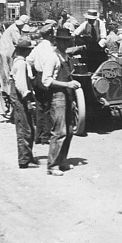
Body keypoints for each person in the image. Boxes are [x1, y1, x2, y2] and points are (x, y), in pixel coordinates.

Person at [41, 28, 82, 176]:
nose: (65, 44)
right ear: (57, 41)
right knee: (59, 131)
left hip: (68, 95)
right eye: (63, 41)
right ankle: (52, 165)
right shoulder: (53, 57)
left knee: (70, 131)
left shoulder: (65, 56)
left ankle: (62, 160)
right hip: (57, 96)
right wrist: (67, 85)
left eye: (67, 41)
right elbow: (46, 80)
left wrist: (72, 83)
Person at [27, 24, 57, 146]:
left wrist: (31, 75)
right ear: (50, 35)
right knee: (48, 107)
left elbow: (28, 61)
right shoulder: (50, 49)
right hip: (46, 78)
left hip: (38, 78)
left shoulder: (37, 48)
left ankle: (38, 136)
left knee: (39, 107)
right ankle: (46, 135)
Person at [10, 37, 37, 168]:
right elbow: (21, 85)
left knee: (30, 128)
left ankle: (28, 155)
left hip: (23, 97)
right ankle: (23, 159)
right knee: (24, 130)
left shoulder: (22, 62)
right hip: (20, 98)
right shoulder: (20, 64)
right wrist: (27, 101)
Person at [0, 14, 29, 102]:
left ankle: (8, 90)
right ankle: (7, 92)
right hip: (4, 51)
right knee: (7, 72)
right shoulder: (14, 29)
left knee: (9, 70)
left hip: (7, 50)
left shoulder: (16, 27)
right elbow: (19, 41)